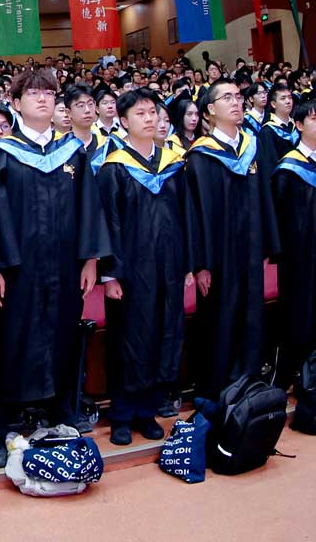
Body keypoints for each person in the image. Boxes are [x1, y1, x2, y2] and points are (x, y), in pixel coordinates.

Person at [0, 71, 101, 465]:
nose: (43, 99)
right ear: (16, 104)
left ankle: (60, 413)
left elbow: (88, 208)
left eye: (49, 94)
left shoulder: (72, 153)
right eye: (33, 94)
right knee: (11, 341)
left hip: (65, 266)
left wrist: (91, 259)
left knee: (62, 335)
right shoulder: (2, 153)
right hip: (19, 270)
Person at [88, 88, 195, 447]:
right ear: (123, 121)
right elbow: (108, 223)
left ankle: (147, 409)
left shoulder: (173, 163)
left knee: (161, 333)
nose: (149, 119)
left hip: (168, 267)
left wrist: (188, 266)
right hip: (130, 272)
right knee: (128, 339)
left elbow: (186, 219)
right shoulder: (114, 168)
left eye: (153, 113)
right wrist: (110, 274)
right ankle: (121, 413)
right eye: (140, 114)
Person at [186, 79, 279, 402]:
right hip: (218, 258)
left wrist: (269, 243)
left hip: (250, 251)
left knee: (252, 313)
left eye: (239, 97)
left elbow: (265, 195)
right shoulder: (201, 156)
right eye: (228, 98)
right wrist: (200, 265)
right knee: (220, 318)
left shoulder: (252, 147)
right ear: (210, 110)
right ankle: (217, 389)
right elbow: (195, 214)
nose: (237, 103)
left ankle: (250, 381)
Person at [271, 100, 316, 381]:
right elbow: (279, 211)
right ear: (299, 125)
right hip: (297, 252)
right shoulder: (288, 167)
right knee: (298, 303)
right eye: (311, 119)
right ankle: (296, 363)